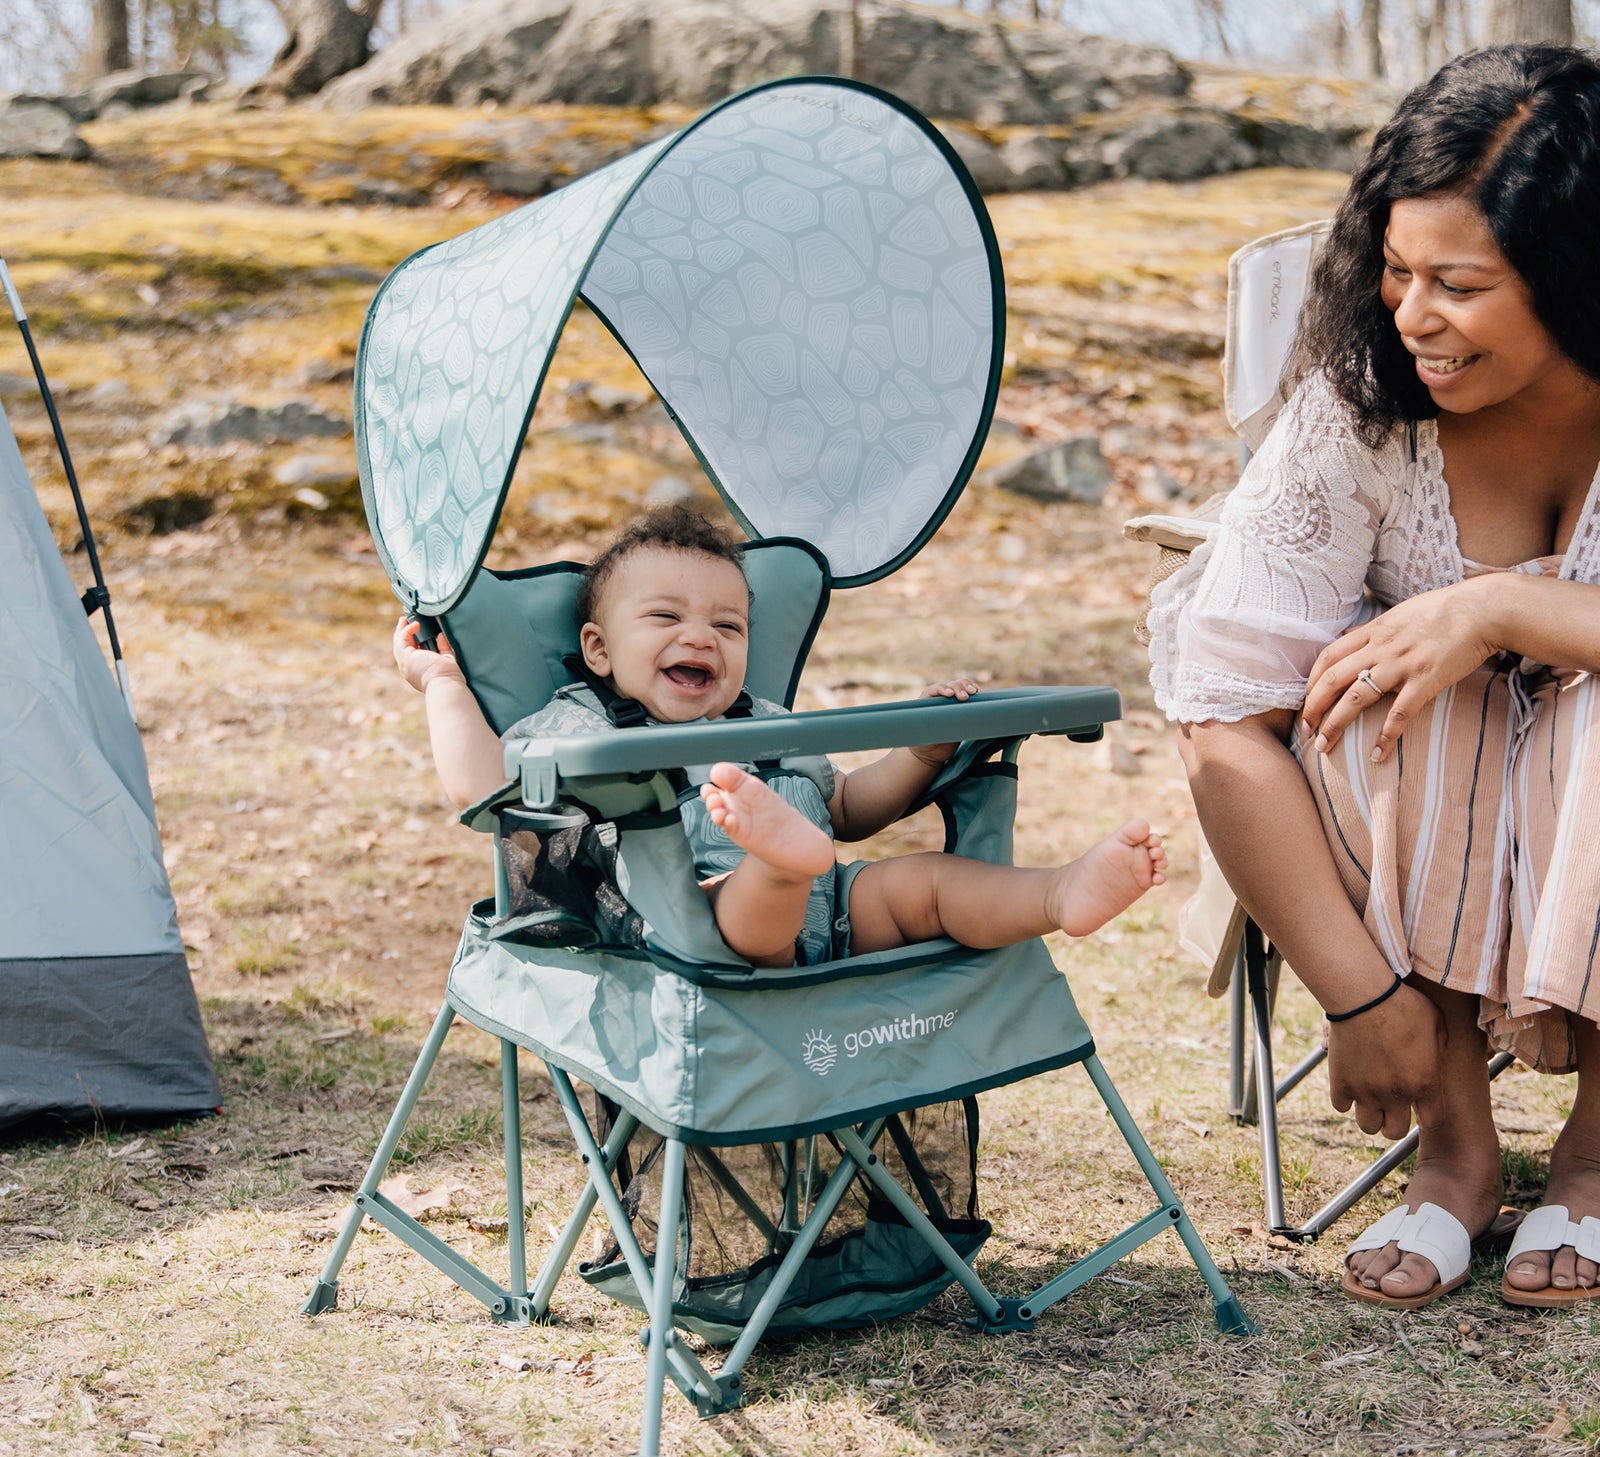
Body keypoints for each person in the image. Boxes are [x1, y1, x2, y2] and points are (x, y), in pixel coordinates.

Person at [1147, 44, 1600, 1309]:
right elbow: (1221, 716)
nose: (1411, 315)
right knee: (1374, 690)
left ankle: (1597, 1159)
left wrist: (1501, 602)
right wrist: (1357, 995)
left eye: (1460, 284)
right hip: (1412, 823)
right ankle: (1452, 1153)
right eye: (1396, 271)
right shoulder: (1362, 412)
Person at [397, 506, 1166, 970]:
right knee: (754, 894)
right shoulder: (581, 721)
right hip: (688, 930)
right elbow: (481, 787)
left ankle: (1058, 893)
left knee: (922, 884)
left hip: (833, 915)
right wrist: (443, 684)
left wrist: (922, 754)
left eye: (727, 625)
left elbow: (848, 812)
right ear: (598, 650)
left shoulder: (763, 722)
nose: (700, 636)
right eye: (665, 618)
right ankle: (780, 863)